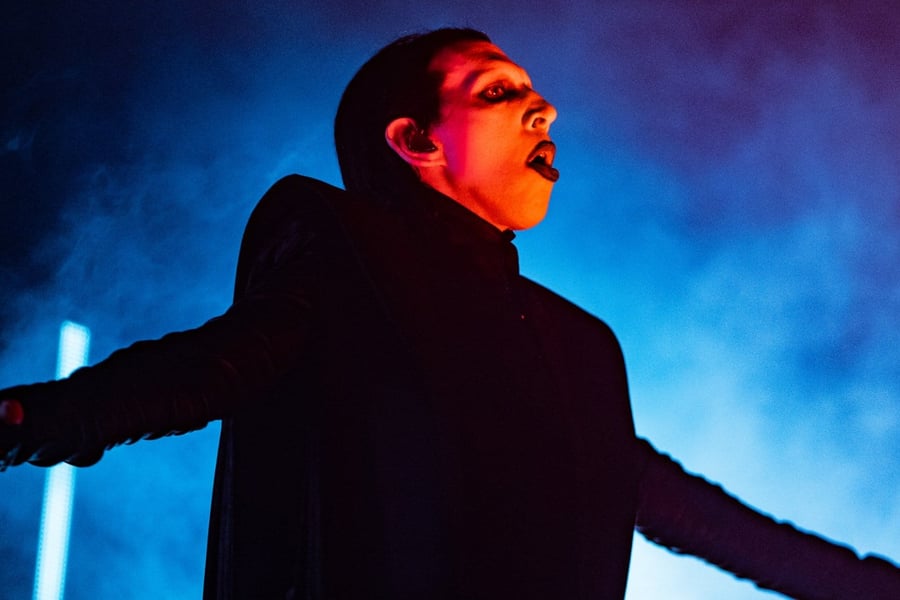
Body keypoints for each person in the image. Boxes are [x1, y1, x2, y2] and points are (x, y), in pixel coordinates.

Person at [1, 27, 898, 600]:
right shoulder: (342, 252)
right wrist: (33, 419)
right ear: (415, 140)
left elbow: (692, 513)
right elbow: (215, 365)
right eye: (499, 92)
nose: (545, 109)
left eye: (533, 93)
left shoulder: (577, 345)